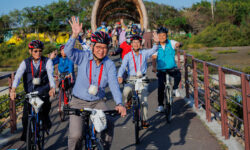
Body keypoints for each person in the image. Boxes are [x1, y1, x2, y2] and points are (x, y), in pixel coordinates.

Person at [65, 16, 126, 150]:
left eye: (104, 48)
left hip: (97, 101)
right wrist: (74, 35)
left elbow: (114, 84)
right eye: (98, 47)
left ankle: (104, 147)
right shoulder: (83, 57)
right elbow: (67, 52)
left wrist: (119, 103)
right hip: (78, 101)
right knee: (76, 135)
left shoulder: (109, 64)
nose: (101, 50)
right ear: (92, 46)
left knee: (109, 123)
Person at [10, 40, 56, 141]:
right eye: (35, 51)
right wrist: (13, 89)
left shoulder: (47, 61)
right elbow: (17, 76)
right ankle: (27, 137)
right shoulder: (25, 63)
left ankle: (45, 121)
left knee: (45, 110)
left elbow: (50, 74)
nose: (38, 53)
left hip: (43, 92)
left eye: (40, 51)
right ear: (30, 51)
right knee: (26, 117)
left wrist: (53, 88)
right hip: (30, 94)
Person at [117, 34, 159, 128]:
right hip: (131, 78)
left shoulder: (144, 53)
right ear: (131, 44)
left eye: (138, 42)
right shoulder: (128, 55)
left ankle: (144, 120)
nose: (136, 44)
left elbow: (153, 50)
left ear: (140, 44)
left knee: (144, 101)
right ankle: (129, 100)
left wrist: (156, 42)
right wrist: (119, 76)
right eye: (134, 42)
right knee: (126, 91)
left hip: (142, 78)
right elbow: (123, 66)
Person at [152, 27, 182, 113]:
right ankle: (160, 105)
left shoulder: (171, 42)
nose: (162, 37)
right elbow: (154, 58)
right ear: (158, 36)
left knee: (178, 75)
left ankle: (175, 88)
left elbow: (177, 43)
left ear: (166, 36)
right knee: (160, 87)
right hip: (161, 69)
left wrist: (178, 44)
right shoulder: (156, 46)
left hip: (172, 67)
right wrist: (154, 67)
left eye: (164, 35)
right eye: (160, 35)